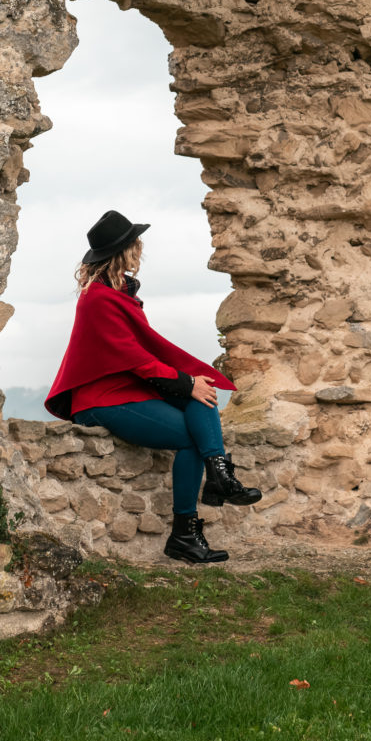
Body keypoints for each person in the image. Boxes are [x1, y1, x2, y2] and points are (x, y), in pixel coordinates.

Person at [45, 210, 261, 564]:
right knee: (190, 430)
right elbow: (134, 356)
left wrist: (191, 383)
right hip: (102, 398)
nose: (140, 251)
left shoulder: (116, 293)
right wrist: (183, 382)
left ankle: (219, 476)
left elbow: (141, 354)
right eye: (135, 245)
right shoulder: (98, 298)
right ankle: (186, 532)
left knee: (200, 396)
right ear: (123, 252)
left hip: (128, 390)